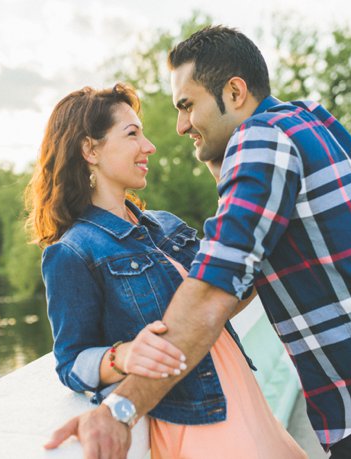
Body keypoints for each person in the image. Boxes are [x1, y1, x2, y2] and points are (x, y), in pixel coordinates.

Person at [46, 26, 351, 459]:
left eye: (187, 105)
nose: (178, 127)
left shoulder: (258, 142)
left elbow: (215, 292)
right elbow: (242, 270)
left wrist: (121, 409)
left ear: (235, 92)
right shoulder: (308, 119)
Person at [28, 83, 306, 458]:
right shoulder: (72, 252)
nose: (149, 146)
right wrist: (122, 356)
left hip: (240, 392)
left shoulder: (165, 225)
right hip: (194, 417)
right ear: (90, 149)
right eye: (132, 135)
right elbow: (71, 361)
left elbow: (219, 298)